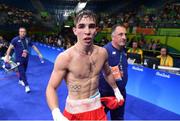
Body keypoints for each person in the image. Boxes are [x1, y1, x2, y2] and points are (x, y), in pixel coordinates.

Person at [46, 10, 124, 121]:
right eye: (81, 26)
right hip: (75, 114)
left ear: (96, 30)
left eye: (91, 26)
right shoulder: (65, 58)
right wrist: (56, 113)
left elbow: (107, 72)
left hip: (97, 110)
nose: (87, 31)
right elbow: (51, 88)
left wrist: (116, 90)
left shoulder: (102, 53)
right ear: (75, 30)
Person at [99, 24, 128, 120]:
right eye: (120, 34)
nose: (124, 37)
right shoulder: (105, 50)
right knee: (98, 118)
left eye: (125, 34)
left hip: (120, 93)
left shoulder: (123, 50)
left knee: (118, 118)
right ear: (113, 36)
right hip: (105, 94)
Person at [5, 27, 43, 93]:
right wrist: (7, 57)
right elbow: (9, 48)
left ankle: (20, 80)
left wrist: (39, 53)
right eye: (21, 31)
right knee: (22, 72)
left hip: (26, 59)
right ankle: (27, 86)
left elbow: (33, 46)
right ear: (19, 32)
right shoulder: (15, 40)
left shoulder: (28, 39)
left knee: (23, 71)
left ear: (25, 32)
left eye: (24, 31)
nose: (23, 33)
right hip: (19, 59)